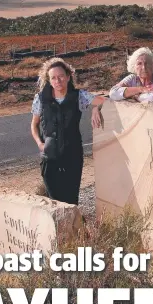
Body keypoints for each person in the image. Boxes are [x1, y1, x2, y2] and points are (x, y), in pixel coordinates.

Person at [30, 58, 104, 205]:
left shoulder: (79, 96)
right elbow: (34, 124)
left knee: (71, 200)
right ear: (49, 80)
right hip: (49, 157)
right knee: (55, 202)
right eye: (53, 78)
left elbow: (103, 100)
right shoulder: (40, 99)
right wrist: (40, 144)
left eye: (61, 76)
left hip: (73, 156)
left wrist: (96, 108)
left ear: (68, 77)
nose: (58, 81)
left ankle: (75, 227)